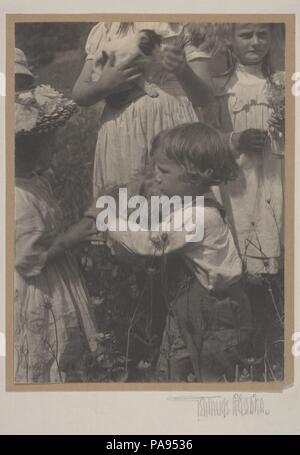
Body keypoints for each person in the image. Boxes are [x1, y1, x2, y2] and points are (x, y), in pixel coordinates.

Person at [71, 122, 253, 381]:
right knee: (177, 362)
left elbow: (150, 243)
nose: (156, 175)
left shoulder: (200, 216)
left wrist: (110, 220)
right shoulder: (188, 204)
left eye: (164, 170)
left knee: (215, 371)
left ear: (199, 174)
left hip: (215, 310)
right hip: (188, 304)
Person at [14, 82, 100, 383]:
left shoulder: (34, 182)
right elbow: (27, 257)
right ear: (27, 149)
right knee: (44, 349)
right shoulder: (15, 196)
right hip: (37, 287)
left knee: (64, 347)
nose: (56, 148)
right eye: (50, 143)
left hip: (56, 275)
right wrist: (74, 236)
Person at [72, 22, 215, 196]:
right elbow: (79, 94)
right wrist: (105, 85)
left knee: (177, 210)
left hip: (171, 126)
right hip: (122, 131)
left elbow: (205, 97)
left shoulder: (184, 23)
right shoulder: (108, 28)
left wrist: (182, 70)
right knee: (128, 204)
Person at [207, 23, 284, 276]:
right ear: (230, 39)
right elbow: (207, 135)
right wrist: (236, 140)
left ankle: (276, 293)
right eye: (246, 35)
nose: (255, 42)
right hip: (237, 180)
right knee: (241, 228)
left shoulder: (284, 82)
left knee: (274, 220)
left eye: (262, 35)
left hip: (276, 176)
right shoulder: (219, 87)